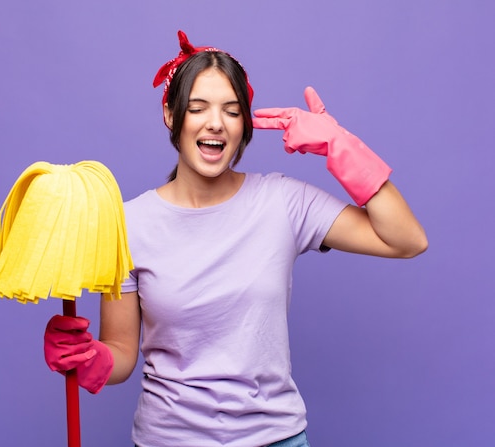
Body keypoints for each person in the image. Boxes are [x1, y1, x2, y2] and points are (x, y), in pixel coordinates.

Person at [43, 30, 428, 447]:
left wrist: (342, 147)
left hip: (275, 438)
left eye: (231, 110)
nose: (215, 123)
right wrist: (90, 358)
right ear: (171, 116)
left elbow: (406, 239)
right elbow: (120, 351)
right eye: (197, 108)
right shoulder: (128, 224)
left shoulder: (282, 201)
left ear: (245, 123)